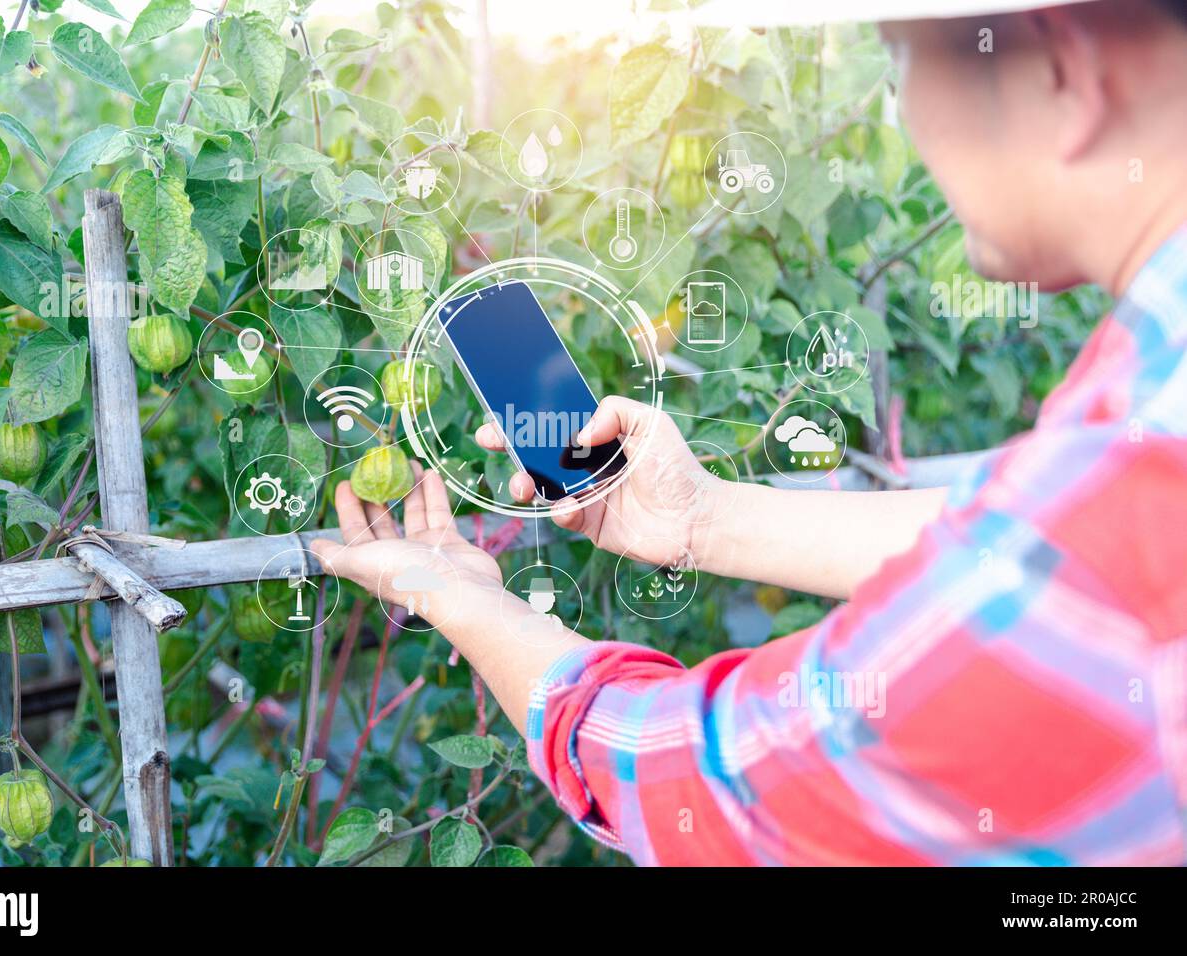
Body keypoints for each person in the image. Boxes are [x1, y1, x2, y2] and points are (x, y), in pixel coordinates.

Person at [311, 0, 1187, 865]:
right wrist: (706, 519)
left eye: (903, 60)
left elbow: (716, 785)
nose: (907, 113)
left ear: (1058, 71)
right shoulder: (1144, 406)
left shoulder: (1124, 486)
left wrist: (464, 598)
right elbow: (1022, 537)